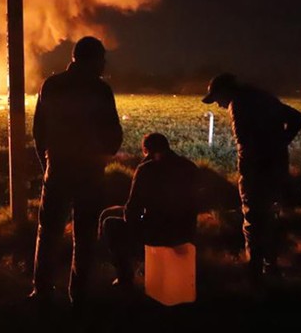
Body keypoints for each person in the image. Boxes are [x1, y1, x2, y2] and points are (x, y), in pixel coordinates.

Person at [30, 36, 123, 308]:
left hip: (58, 169)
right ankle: (79, 296)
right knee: (85, 235)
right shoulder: (100, 90)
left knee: (48, 233)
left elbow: (39, 132)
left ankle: (42, 292)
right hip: (89, 173)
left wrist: (46, 164)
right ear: (92, 60)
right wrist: (102, 161)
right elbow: (114, 133)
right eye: (101, 59)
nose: (104, 65)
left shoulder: (52, 85)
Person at [201, 73, 301, 279]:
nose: (219, 105)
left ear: (225, 92)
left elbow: (245, 144)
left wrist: (249, 169)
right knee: (270, 216)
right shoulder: (262, 97)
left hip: (256, 172)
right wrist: (281, 143)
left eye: (217, 99)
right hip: (277, 167)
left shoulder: (238, 104)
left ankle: (254, 269)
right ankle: (271, 266)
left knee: (253, 218)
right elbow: (297, 118)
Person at [100, 133, 200, 287]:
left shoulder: (147, 169)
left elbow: (132, 211)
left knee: (108, 222)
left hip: (157, 233)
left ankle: (124, 276)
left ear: (146, 150)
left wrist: (141, 168)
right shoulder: (190, 167)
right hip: (185, 231)